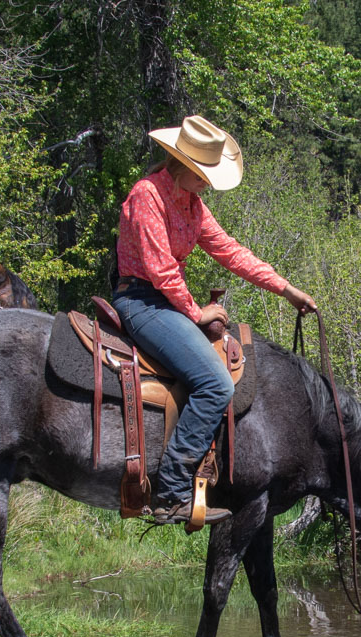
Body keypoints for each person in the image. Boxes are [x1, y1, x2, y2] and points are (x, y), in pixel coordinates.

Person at [115, 114, 317, 524]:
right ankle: (171, 490)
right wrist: (196, 311)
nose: (208, 183)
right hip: (141, 302)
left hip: (166, 303)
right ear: (185, 166)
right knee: (215, 384)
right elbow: (159, 270)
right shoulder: (146, 196)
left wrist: (285, 288)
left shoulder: (193, 206)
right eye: (205, 175)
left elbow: (231, 251)